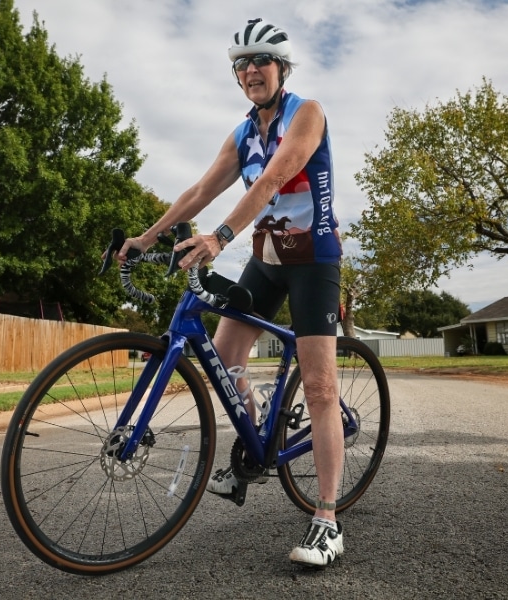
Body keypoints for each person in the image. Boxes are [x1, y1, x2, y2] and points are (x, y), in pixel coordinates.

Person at [117, 18, 344, 568]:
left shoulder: (305, 113)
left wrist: (219, 237)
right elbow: (200, 188)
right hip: (267, 259)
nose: (250, 71)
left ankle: (328, 519)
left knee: (318, 387)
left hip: (313, 259)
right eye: (241, 64)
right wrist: (146, 238)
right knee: (223, 354)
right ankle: (255, 451)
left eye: (260, 61)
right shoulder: (243, 133)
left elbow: (271, 181)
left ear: (281, 68)